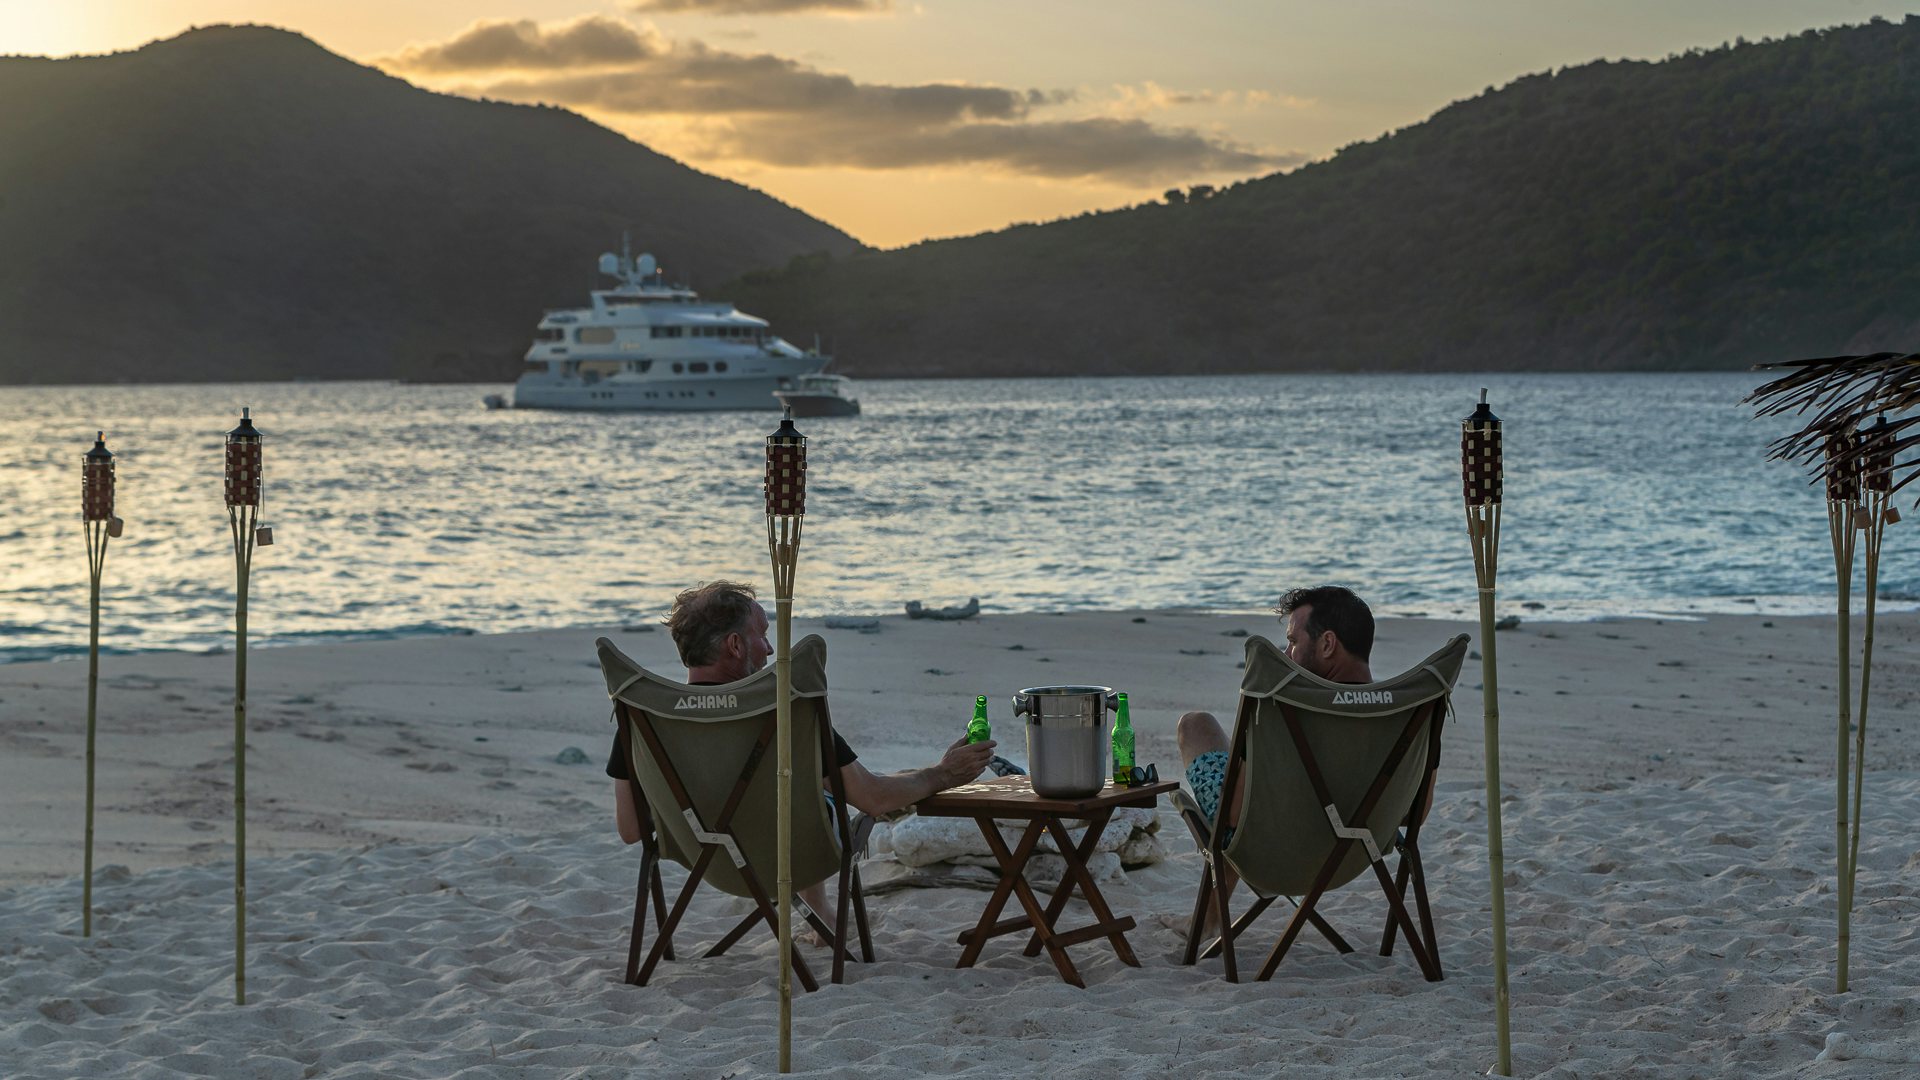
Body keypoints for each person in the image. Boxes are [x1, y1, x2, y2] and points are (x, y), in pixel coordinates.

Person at [609, 580, 997, 919]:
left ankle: (821, 908)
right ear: (734, 645)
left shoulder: (642, 720)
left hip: (707, 866)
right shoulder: (786, 712)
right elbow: (875, 799)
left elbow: (630, 830)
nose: (768, 648)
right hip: (793, 860)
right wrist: (945, 773)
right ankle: (822, 910)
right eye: (762, 634)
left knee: (810, 780)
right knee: (823, 784)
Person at [1175, 585, 1376, 931]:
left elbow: (1235, 814)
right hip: (1353, 857)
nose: (1286, 653)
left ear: (1327, 644)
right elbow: (1416, 814)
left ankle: (1208, 920)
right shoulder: (1406, 714)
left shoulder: (1288, 715)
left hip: (1273, 854)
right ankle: (1208, 919)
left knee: (1196, 726)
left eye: (1293, 642)